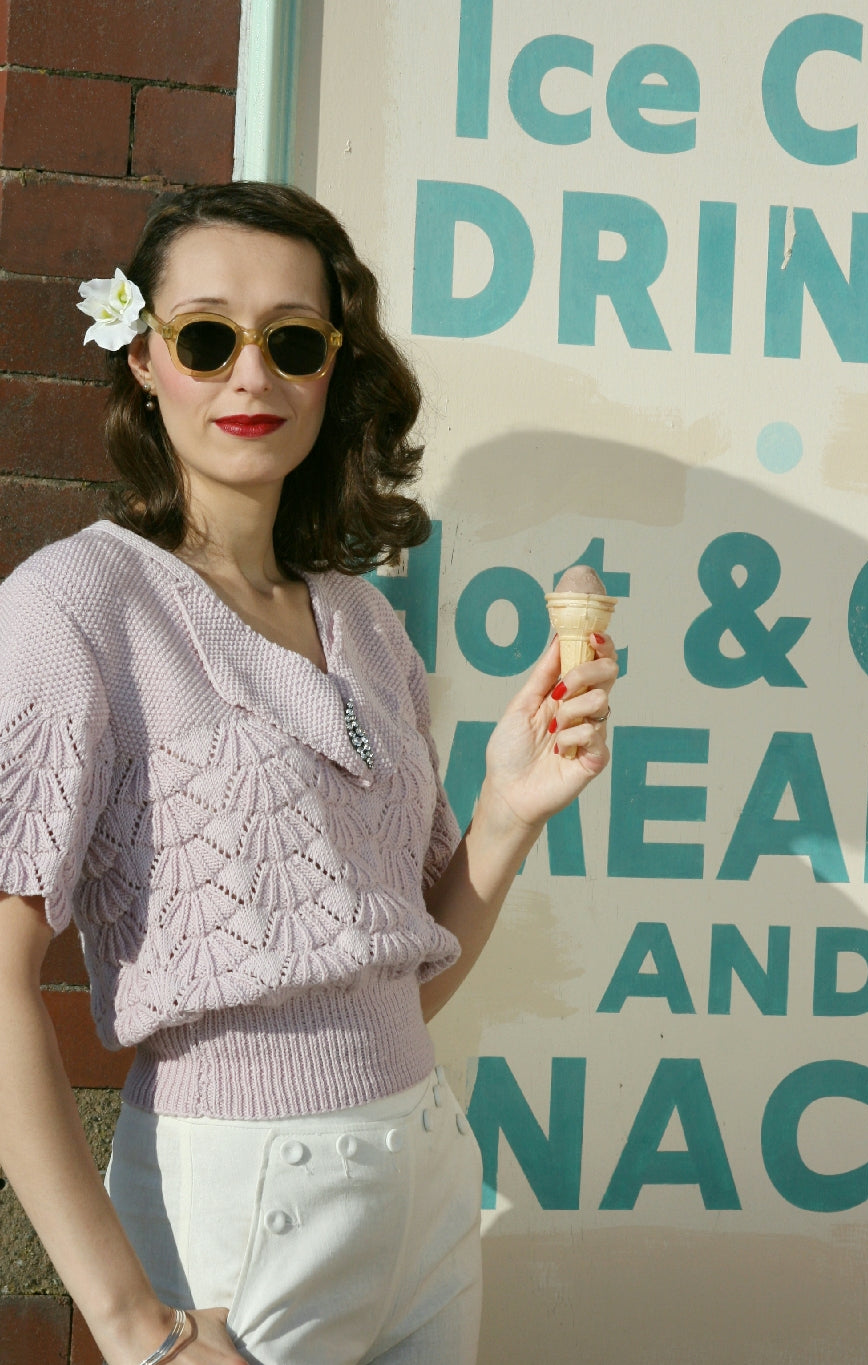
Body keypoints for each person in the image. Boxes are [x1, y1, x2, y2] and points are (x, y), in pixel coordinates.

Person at [0, 182, 617, 1365]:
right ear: (142, 357)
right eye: (205, 337)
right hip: (234, 1214)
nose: (250, 376)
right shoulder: (78, 606)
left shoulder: (366, 622)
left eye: (291, 341)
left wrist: (506, 812)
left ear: (334, 368)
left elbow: (390, 986)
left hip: (425, 1176)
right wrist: (136, 1327)